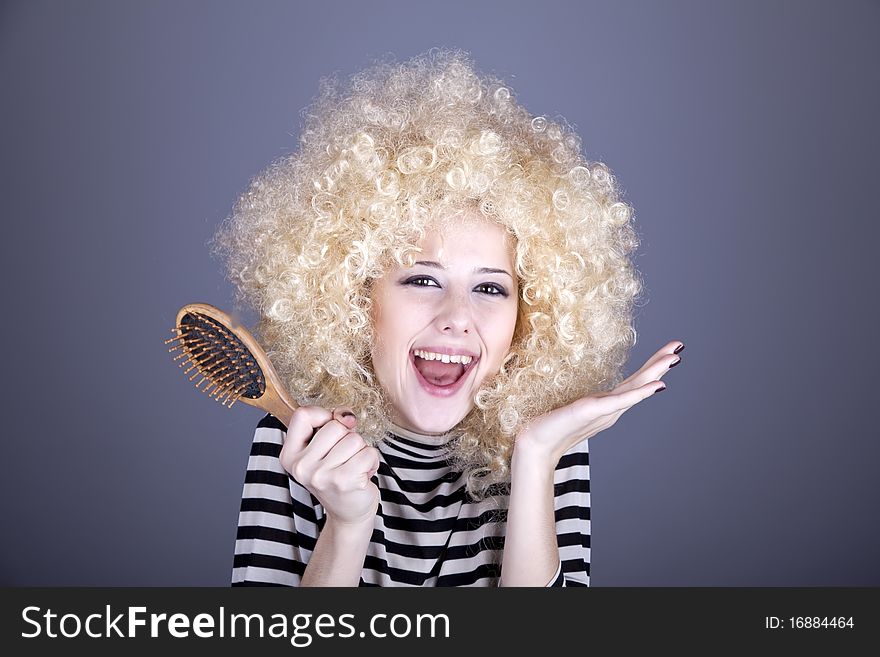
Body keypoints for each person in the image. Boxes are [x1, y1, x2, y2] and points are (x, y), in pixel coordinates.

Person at [211, 48, 683, 587]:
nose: (458, 316)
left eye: (490, 287)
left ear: (525, 320)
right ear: (357, 299)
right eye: (422, 280)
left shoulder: (550, 437)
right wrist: (347, 524)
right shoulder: (297, 438)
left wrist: (535, 458)